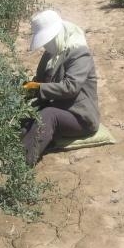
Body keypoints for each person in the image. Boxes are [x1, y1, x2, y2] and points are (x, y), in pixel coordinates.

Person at [21, 10, 100, 165]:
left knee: (48, 116)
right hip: (60, 107)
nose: (45, 46)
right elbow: (41, 80)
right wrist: (26, 88)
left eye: (47, 41)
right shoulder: (51, 53)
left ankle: (23, 163)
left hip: (80, 116)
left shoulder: (79, 53)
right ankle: (21, 147)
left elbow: (71, 87)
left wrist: (37, 88)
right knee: (26, 121)